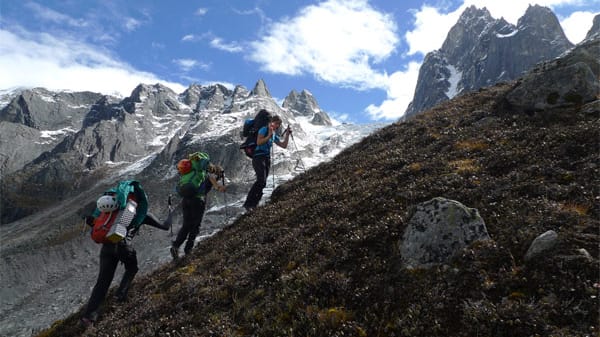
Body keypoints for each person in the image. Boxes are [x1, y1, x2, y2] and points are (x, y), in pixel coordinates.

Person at [81, 180, 168, 326]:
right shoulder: (139, 212)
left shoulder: (109, 211)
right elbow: (165, 226)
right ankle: (120, 295)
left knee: (102, 282)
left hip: (106, 247)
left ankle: (89, 317)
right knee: (132, 268)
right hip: (121, 245)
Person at [170, 158, 226, 260]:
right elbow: (214, 183)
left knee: (186, 225)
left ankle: (176, 246)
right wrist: (220, 187)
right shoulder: (208, 175)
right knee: (196, 225)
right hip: (198, 201)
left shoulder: (194, 174)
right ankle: (188, 250)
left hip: (186, 200)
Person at [243, 115, 291, 211]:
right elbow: (259, 142)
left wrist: (287, 135)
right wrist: (269, 135)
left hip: (266, 158)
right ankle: (248, 204)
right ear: (271, 122)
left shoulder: (273, 134)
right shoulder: (263, 129)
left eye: (278, 125)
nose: (277, 126)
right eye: (276, 123)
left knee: (263, 182)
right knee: (261, 180)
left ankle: (254, 205)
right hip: (258, 157)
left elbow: (284, 145)